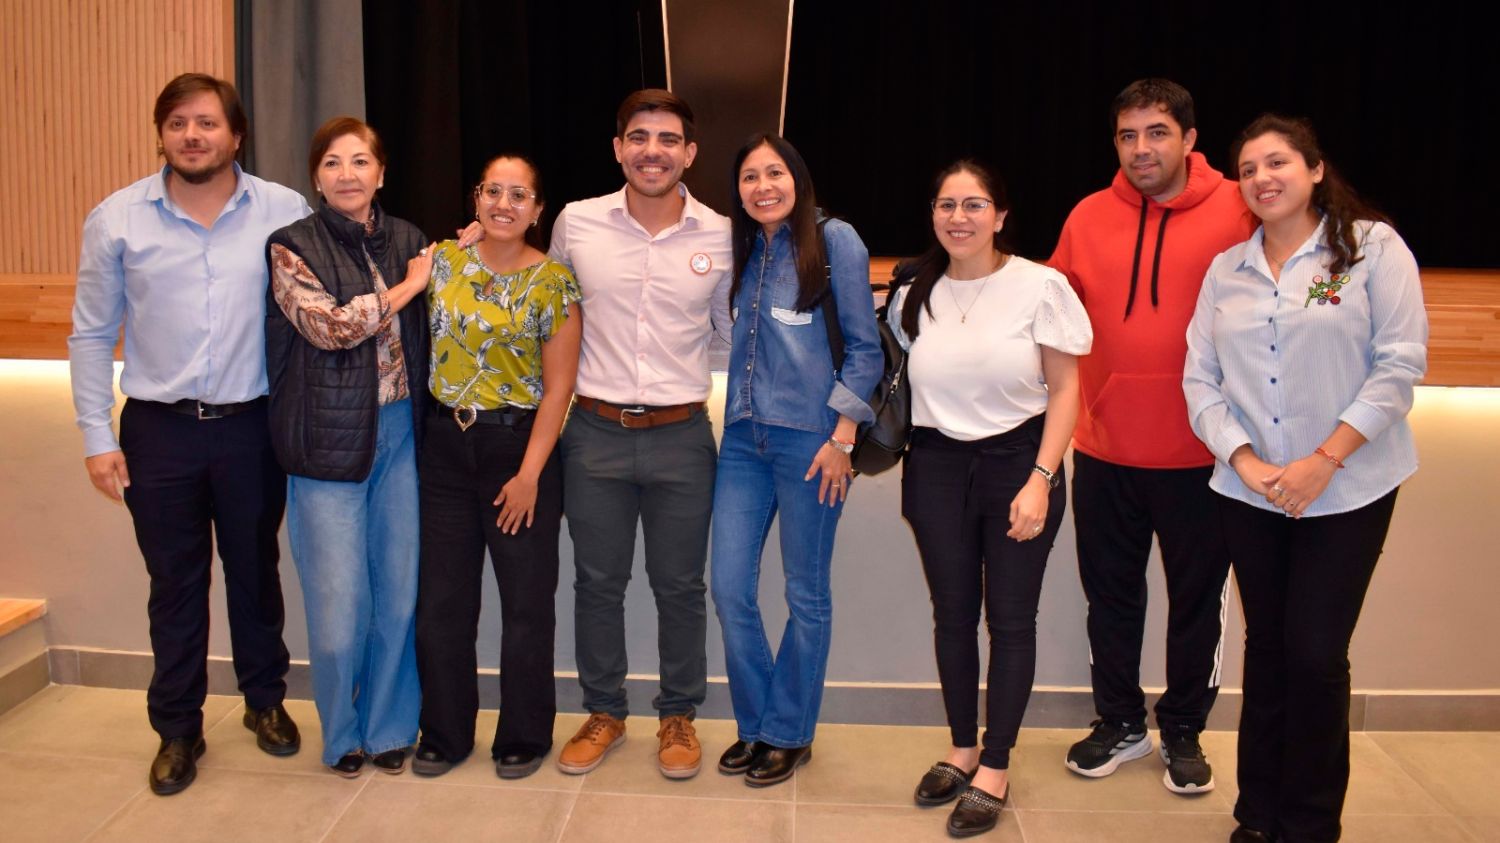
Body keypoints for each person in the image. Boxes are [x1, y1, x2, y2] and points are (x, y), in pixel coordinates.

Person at [1185, 115, 1427, 843]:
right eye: (1248, 169)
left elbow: (1400, 364)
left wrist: (1325, 458)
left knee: (1316, 655)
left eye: (1278, 162)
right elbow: (1200, 380)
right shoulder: (1227, 270)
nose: (1262, 178)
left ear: (1315, 169)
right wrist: (1245, 461)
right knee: (1267, 649)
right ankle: (1258, 815)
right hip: (1250, 491)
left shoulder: (1372, 248)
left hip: (1348, 488)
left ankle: (1311, 824)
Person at [68, 73, 308, 795]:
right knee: (174, 584)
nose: (192, 136)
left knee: (255, 571)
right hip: (158, 431)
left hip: (251, 426)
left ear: (237, 135)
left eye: (207, 123)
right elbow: (91, 334)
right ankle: (177, 727)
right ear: (162, 134)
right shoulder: (117, 219)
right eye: (177, 123)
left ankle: (264, 700)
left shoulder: (284, 210)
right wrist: (96, 435)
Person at [1047, 78, 1252, 793]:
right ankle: (1120, 721)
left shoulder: (1241, 209)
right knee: (1110, 597)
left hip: (1206, 453)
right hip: (1105, 449)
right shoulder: (1087, 216)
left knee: (1198, 601)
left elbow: (1302, 280)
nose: (1142, 148)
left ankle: (1185, 729)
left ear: (1190, 139)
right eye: (1128, 135)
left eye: (1157, 132)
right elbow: (1049, 309)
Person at [894, 161, 1091, 836]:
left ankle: (996, 765)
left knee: (1010, 621)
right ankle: (962, 749)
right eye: (946, 204)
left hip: (1019, 463)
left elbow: (1066, 389)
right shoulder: (914, 289)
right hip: (935, 465)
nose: (959, 217)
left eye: (974, 204)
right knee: (952, 615)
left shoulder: (1041, 285)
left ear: (1001, 215)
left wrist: (1042, 477)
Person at [547, 89, 732, 779]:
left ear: (690, 153)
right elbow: (550, 311)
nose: (653, 151)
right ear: (618, 148)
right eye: (639, 137)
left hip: (683, 437)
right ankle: (605, 711)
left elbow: (727, 333)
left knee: (680, 586)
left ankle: (678, 714)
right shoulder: (577, 223)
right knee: (597, 582)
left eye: (668, 139)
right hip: (593, 432)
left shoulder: (721, 234)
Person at [709, 134, 881, 788]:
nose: (762, 187)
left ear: (797, 178)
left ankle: (789, 732)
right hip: (742, 440)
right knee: (730, 588)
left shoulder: (836, 241)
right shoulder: (745, 247)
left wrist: (842, 439)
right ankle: (758, 724)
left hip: (812, 444)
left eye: (774, 173)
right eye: (749, 177)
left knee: (805, 593)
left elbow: (865, 349)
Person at [264, 116, 432, 777]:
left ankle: (389, 727)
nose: (347, 174)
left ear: (381, 173)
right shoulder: (290, 246)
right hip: (326, 443)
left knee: (397, 595)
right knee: (338, 611)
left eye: (360, 161)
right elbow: (330, 328)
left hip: (401, 435)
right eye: (333, 162)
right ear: (316, 177)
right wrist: (408, 287)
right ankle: (342, 734)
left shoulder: (410, 239)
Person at [411, 154, 581, 780]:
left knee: (526, 604)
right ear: (476, 198)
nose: (503, 204)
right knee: (442, 603)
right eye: (493, 191)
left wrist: (529, 475)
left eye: (519, 195)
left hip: (517, 451)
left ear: (538, 210)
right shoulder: (443, 262)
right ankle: (445, 731)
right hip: (444, 448)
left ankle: (524, 734)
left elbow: (559, 389)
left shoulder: (554, 282)